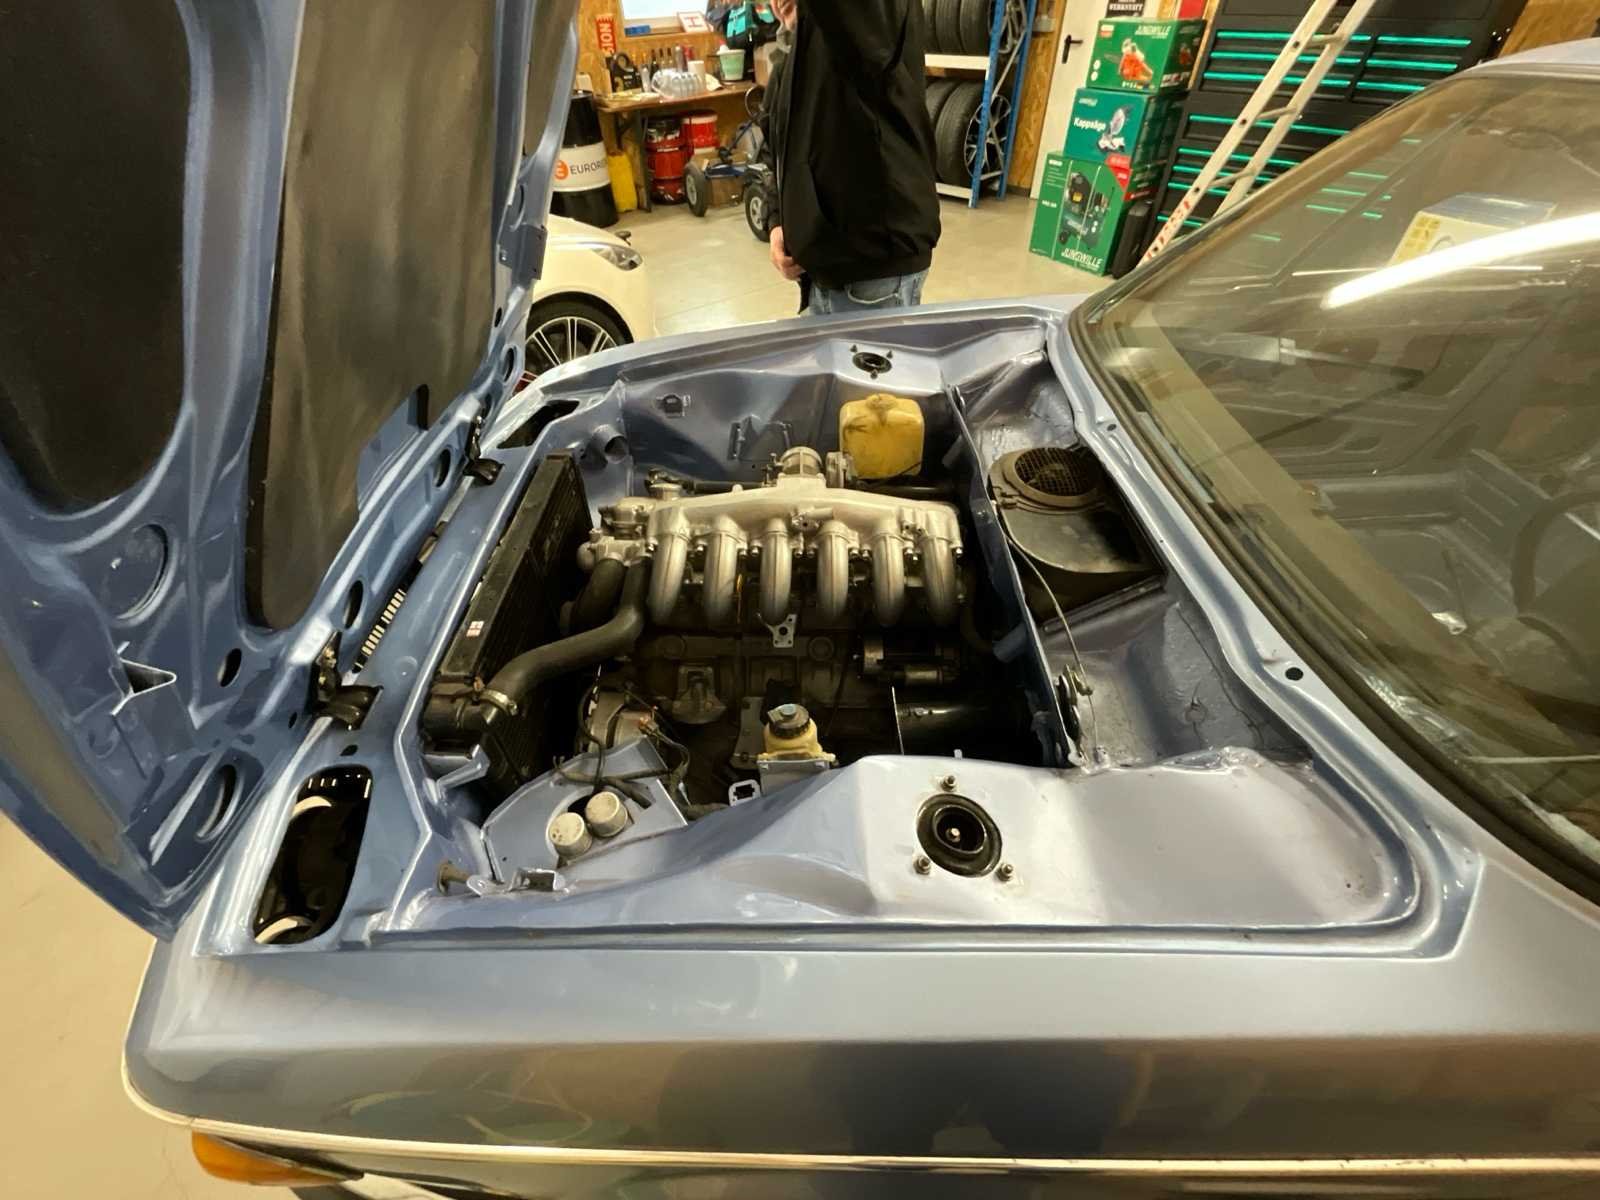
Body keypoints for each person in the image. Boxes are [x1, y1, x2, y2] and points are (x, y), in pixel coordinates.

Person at [764, 0, 940, 315]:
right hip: (822, 272)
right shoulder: (798, 54)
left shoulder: (868, 20)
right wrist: (777, 221)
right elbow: (778, 144)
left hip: (872, 274)